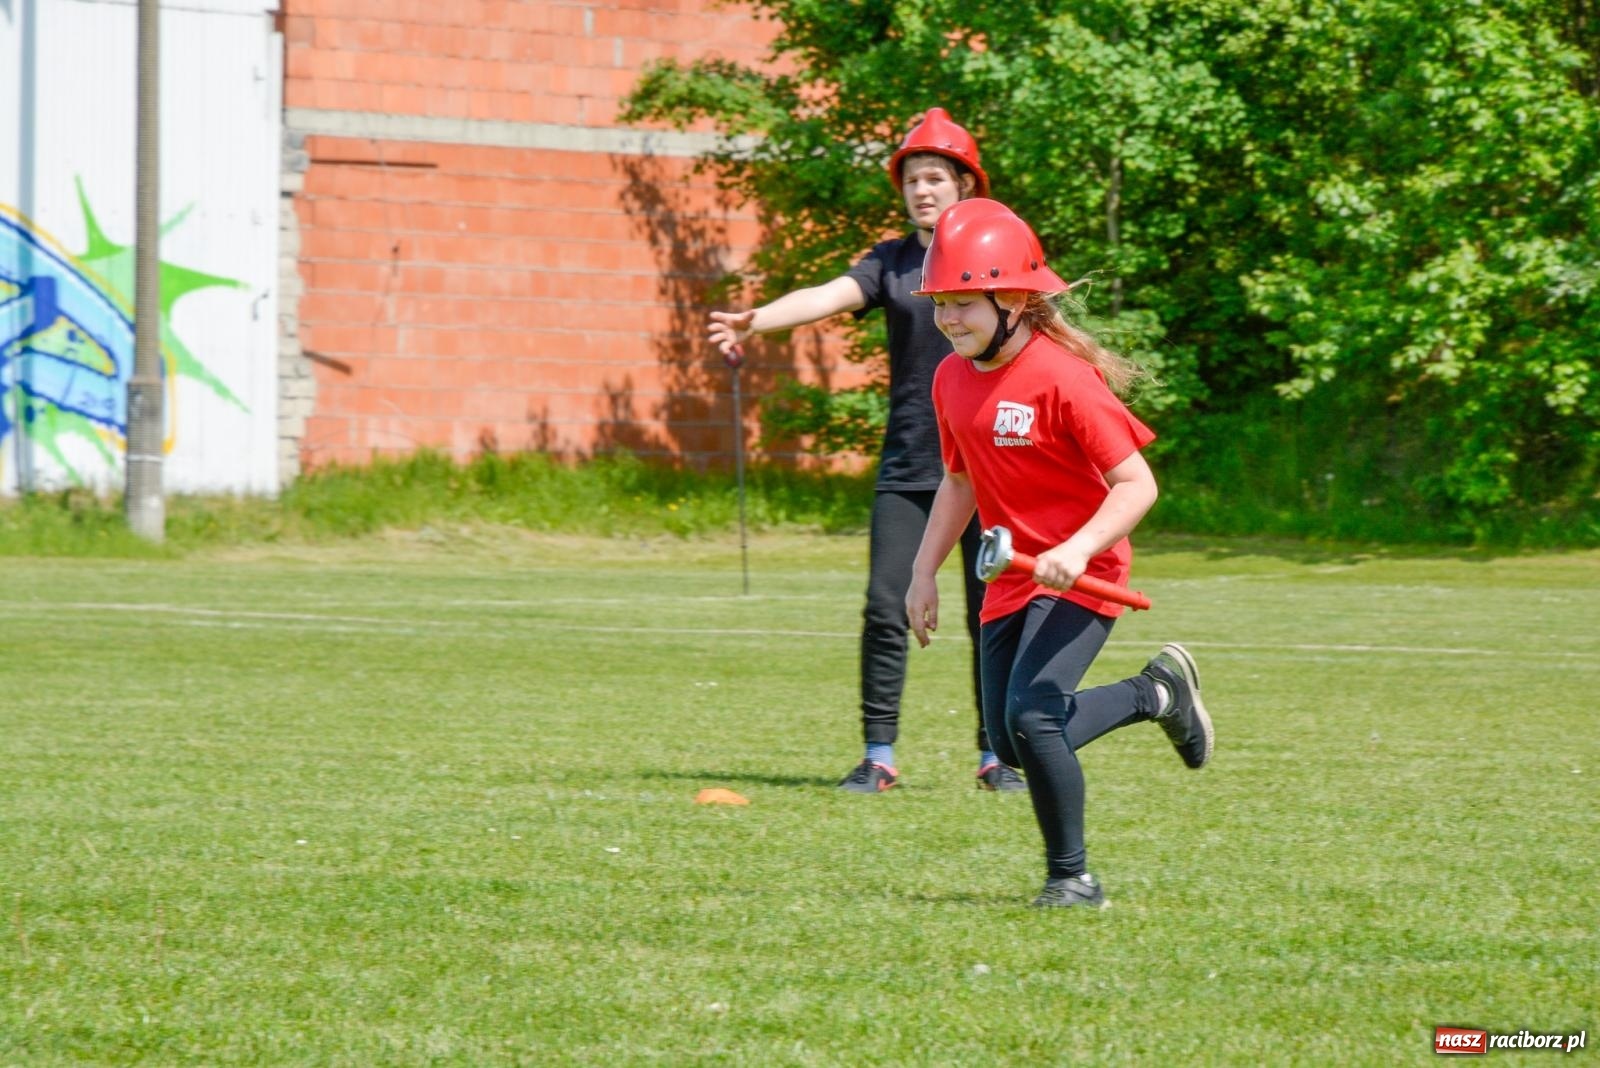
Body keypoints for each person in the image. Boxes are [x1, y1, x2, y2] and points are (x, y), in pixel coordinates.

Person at [904, 198, 1215, 908]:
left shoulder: (1062, 378)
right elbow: (958, 481)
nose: (949, 319)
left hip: (1087, 570)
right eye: (940, 304)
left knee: (1037, 718)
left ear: (1012, 297)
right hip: (1013, 575)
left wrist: (1076, 550)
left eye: (962, 303)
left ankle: (1072, 880)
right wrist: (923, 573)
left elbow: (1138, 485)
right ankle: (1156, 693)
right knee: (1011, 743)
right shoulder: (951, 377)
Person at [708, 109, 1025, 793]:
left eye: (937, 176)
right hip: (913, 465)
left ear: (965, 184)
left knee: (990, 610)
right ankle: (878, 755)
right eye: (913, 179)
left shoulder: (996, 249)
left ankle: (997, 756)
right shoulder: (891, 262)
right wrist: (754, 319)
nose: (923, 189)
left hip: (994, 469)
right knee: (886, 606)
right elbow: (827, 296)